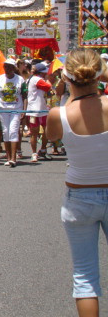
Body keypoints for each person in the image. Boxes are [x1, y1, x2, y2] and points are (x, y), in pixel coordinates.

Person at [45, 49, 108, 317]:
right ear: (99, 74)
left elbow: (51, 138)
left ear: (67, 76)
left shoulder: (58, 114)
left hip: (79, 197)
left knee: (85, 277)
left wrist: (69, 93)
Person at [0, 58, 27, 167]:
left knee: (13, 131)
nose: (6, 68)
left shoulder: (20, 80)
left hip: (16, 109)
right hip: (3, 108)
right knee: (5, 132)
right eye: (5, 66)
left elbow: (24, 96)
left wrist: (24, 110)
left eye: (9, 66)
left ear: (13, 68)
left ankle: (13, 158)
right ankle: (8, 157)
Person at [26, 61, 52, 163]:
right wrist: (48, 80)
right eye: (45, 72)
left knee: (46, 130)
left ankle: (43, 150)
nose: (46, 73)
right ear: (41, 72)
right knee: (34, 132)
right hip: (34, 110)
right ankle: (34, 153)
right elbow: (48, 87)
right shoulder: (37, 79)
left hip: (42, 109)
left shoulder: (34, 79)